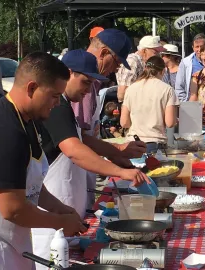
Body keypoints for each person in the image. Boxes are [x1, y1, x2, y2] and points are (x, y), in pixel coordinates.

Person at [0, 52, 88, 270]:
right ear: (31, 88)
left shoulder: (28, 120)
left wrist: (60, 209)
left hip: (4, 236)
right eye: (54, 96)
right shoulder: (4, 130)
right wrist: (59, 223)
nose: (57, 103)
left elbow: (32, 184)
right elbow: (13, 209)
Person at [38, 49, 149, 222]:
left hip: (69, 204)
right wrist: (119, 172)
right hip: (56, 211)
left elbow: (83, 140)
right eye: (85, 82)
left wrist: (118, 151)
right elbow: (74, 149)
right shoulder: (57, 107)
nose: (88, 89)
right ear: (68, 73)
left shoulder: (64, 105)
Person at [72, 28, 132, 139]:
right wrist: (119, 150)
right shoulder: (83, 83)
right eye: (117, 63)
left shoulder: (94, 83)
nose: (116, 70)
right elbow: (80, 138)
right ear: (104, 53)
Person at [120, 56, 179, 154]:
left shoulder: (130, 89)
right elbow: (170, 122)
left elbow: (124, 122)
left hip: (133, 143)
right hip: (155, 143)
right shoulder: (167, 89)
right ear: (162, 71)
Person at [116, 35, 165, 102]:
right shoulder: (133, 61)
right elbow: (122, 93)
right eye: (156, 52)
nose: (158, 55)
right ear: (144, 51)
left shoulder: (145, 63)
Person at [175, 33, 205, 102]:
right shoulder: (185, 62)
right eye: (197, 47)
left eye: (202, 46)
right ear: (193, 48)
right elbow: (179, 87)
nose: (199, 49)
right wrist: (186, 103)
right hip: (192, 104)